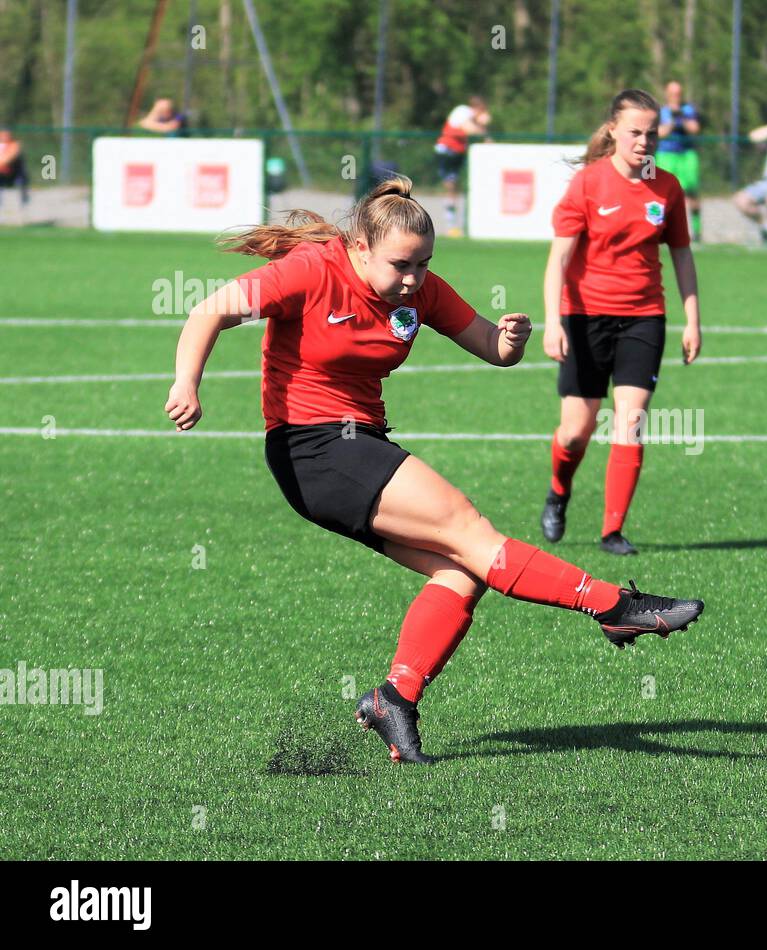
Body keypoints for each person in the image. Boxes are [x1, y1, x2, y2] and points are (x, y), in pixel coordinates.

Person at [164, 176, 704, 764]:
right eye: (401, 265)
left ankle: (393, 697)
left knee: (461, 572)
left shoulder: (419, 292)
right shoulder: (313, 270)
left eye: (424, 264)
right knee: (470, 530)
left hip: (358, 444)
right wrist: (187, 383)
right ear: (360, 249)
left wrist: (512, 339)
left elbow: (493, 350)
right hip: (311, 448)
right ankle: (613, 607)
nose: (413, 278)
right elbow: (210, 310)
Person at [540, 89, 702, 556]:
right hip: (584, 316)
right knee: (575, 430)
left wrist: (692, 320)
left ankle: (612, 531)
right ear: (613, 129)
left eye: (652, 133)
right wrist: (554, 322)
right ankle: (559, 491)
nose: (644, 141)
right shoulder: (588, 185)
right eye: (635, 131)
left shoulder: (667, 188)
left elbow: (683, 256)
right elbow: (559, 260)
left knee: (629, 423)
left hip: (644, 318)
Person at [433, 96, 491, 236]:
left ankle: (453, 224)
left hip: (458, 153)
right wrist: (482, 125)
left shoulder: (471, 117)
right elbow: (470, 130)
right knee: (451, 186)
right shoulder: (463, 111)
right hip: (447, 151)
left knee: (455, 188)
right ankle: (450, 224)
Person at [656, 81, 702, 240]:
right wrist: (670, 125)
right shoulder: (661, 112)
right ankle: (661, 229)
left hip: (686, 155)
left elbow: (695, 129)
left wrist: (681, 117)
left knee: (691, 192)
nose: (676, 96)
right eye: (673, 93)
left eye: (678, 93)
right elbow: (659, 133)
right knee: (663, 194)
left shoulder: (688, 110)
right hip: (666, 155)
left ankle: (696, 230)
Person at [0, 129, 28, 214]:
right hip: (2, 175)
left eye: (7, 135)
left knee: (21, 182)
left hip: (14, 175)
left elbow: (9, 158)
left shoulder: (15, 145)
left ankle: (23, 207)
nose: (5, 137)